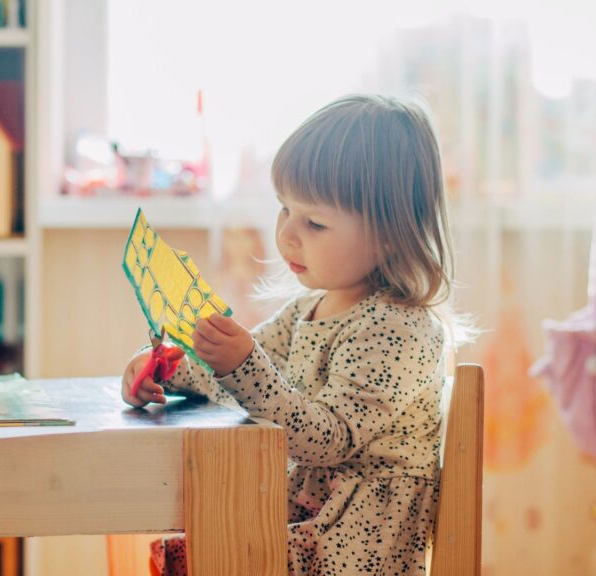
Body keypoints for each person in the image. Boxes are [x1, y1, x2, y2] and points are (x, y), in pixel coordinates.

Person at [122, 94, 466, 575]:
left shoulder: (401, 328)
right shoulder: (308, 308)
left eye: (315, 222)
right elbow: (239, 382)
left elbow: (326, 438)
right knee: (185, 544)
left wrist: (243, 365)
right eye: (285, 209)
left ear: (392, 232)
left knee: (200, 552)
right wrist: (167, 368)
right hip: (307, 522)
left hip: (353, 546)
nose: (286, 235)